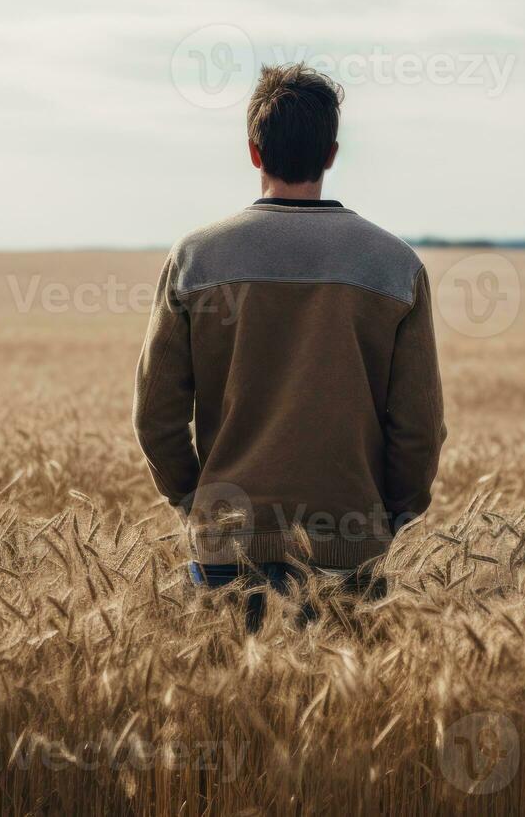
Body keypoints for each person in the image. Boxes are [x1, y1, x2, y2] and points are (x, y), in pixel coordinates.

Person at [133, 63, 448, 630]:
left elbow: (155, 417)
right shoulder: (394, 264)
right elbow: (419, 426)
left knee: (222, 709)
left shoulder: (196, 259)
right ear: (331, 153)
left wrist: (198, 505)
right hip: (350, 543)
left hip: (226, 538)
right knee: (345, 716)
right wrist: (390, 519)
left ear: (254, 151)